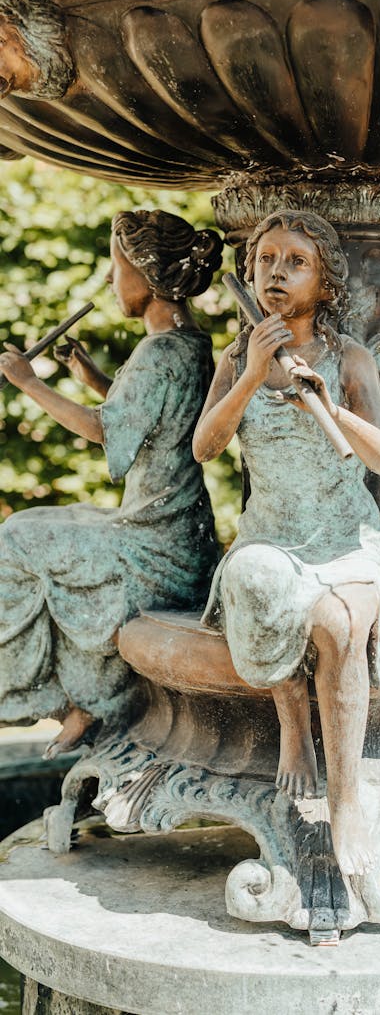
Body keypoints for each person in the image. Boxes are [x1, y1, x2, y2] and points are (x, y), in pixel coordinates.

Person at [194, 209, 380, 877]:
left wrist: (330, 403)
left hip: (346, 537)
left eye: (295, 262)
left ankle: (346, 800)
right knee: (256, 581)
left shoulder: (351, 359)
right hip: (273, 536)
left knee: (340, 621)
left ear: (326, 284)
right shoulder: (237, 358)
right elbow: (205, 447)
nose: (275, 272)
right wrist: (253, 372)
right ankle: (291, 726)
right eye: (265, 260)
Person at [0, 209, 222, 757]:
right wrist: (93, 377)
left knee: (15, 542)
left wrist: (27, 383)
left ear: (146, 275)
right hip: (178, 526)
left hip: (152, 539)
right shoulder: (190, 341)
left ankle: (69, 696)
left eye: (114, 267)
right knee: (31, 527)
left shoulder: (157, 352)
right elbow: (149, 422)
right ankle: (81, 697)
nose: (107, 281)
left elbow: (105, 429)